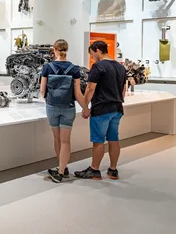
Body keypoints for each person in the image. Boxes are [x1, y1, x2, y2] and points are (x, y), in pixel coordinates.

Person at [75, 40, 127, 181]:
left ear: (97, 50)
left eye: (92, 54)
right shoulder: (120, 67)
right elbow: (123, 89)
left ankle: (94, 170)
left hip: (102, 108)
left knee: (98, 141)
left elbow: (90, 88)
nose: (93, 58)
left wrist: (85, 107)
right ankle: (113, 170)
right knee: (114, 139)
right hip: (117, 108)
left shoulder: (98, 67)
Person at [40, 39, 89, 183]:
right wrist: (86, 109)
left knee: (57, 139)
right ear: (66, 50)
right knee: (66, 141)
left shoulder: (47, 67)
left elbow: (42, 91)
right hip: (68, 108)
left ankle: (62, 170)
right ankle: (62, 169)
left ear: (54, 50)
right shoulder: (74, 69)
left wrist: (48, 101)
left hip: (52, 107)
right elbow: (78, 93)